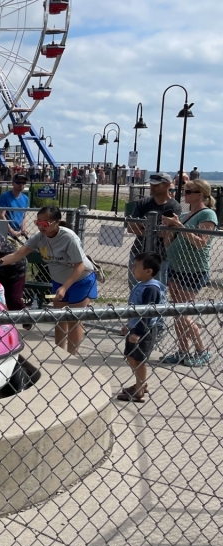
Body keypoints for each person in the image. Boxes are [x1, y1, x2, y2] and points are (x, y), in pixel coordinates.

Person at [0, 206, 97, 355]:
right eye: (38, 222)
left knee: (74, 319)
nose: (40, 226)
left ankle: (72, 355)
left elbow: (80, 266)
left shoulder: (68, 238)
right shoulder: (39, 237)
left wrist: (65, 287)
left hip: (80, 280)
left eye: (45, 223)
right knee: (59, 317)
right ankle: (60, 352)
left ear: (56, 222)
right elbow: (17, 254)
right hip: (59, 281)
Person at [160, 179, 217, 366]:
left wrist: (180, 227)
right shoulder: (184, 214)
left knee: (182, 312)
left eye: (188, 192)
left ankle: (202, 349)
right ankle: (183, 351)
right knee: (177, 313)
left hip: (193, 269)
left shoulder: (207, 214)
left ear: (200, 194)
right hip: (176, 267)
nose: (184, 195)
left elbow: (201, 243)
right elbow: (169, 243)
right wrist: (169, 229)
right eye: (184, 192)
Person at [116, 253, 167, 402]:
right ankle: (141, 383)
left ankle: (139, 391)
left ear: (148, 271)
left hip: (146, 330)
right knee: (129, 356)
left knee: (139, 360)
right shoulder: (141, 285)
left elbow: (147, 314)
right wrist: (129, 325)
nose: (133, 269)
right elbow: (136, 310)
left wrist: (138, 332)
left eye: (136, 267)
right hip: (136, 327)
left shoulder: (151, 289)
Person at [126, 172, 179, 289]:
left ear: (167, 185)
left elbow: (166, 233)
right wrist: (152, 230)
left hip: (159, 256)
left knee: (157, 290)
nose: (152, 188)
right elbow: (131, 227)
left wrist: (144, 226)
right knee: (135, 287)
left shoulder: (174, 206)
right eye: (151, 185)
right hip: (138, 251)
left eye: (156, 185)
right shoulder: (142, 203)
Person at [0, 174, 30, 240]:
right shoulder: (5, 196)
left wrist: (23, 229)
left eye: (23, 183)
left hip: (18, 232)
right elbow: (1, 215)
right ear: (12, 183)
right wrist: (11, 231)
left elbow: (23, 216)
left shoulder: (25, 198)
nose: (21, 185)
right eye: (18, 182)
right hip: (6, 232)